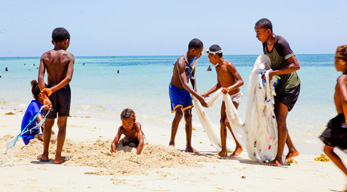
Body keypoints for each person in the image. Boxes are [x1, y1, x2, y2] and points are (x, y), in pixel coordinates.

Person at [255, 18, 300, 166]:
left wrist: (273, 74)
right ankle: (292, 149)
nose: (257, 36)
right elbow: (270, 63)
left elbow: (295, 66)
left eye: (259, 33)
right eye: (256, 33)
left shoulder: (281, 43)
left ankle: (278, 159)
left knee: (280, 119)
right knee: (275, 118)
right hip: (279, 85)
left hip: (291, 85)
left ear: (268, 31)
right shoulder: (264, 44)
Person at [37, 27, 74, 164]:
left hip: (48, 91)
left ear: (52, 41)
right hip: (63, 91)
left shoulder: (45, 56)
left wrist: (46, 94)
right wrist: (54, 90)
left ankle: (45, 154)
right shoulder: (69, 56)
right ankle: (58, 157)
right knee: (62, 124)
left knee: (48, 124)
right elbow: (68, 78)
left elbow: (40, 77)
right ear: (67, 41)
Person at [202, 45, 244, 157]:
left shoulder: (229, 65)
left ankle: (239, 145)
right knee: (222, 122)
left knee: (227, 121)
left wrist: (229, 88)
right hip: (226, 97)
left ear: (215, 56)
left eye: (210, 58)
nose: (209, 60)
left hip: (235, 96)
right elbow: (219, 85)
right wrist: (206, 93)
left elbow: (241, 81)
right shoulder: (217, 68)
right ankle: (223, 151)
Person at [169, 38, 208, 152]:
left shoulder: (194, 59)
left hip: (186, 90)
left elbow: (192, 74)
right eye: (200, 51)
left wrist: (195, 87)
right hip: (176, 89)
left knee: (189, 115)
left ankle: (189, 146)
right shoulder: (180, 62)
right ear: (192, 50)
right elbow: (185, 84)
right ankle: (171, 142)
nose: (201, 54)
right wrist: (199, 97)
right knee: (179, 113)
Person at [320, 45, 347, 190]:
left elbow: (345, 100)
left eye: (336, 59)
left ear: (343, 62)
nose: (334, 62)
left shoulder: (342, 78)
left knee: (328, 150)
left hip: (343, 120)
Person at [21, 80, 56, 145]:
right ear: (41, 96)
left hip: (36, 134)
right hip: (28, 136)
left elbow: (43, 126)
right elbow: (41, 122)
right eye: (47, 94)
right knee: (51, 136)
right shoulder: (34, 105)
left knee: (50, 136)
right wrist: (50, 131)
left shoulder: (43, 106)